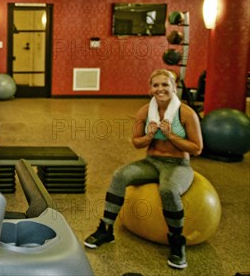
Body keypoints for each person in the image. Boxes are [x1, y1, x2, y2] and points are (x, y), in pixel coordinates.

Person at [84, 69, 203, 269]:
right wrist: (149, 137)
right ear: (150, 89)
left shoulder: (186, 113)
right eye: (156, 85)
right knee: (120, 175)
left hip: (178, 164)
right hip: (151, 162)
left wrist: (171, 135)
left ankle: (176, 241)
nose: (160, 89)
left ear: (174, 87)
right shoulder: (145, 111)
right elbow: (136, 143)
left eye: (165, 84)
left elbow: (197, 148)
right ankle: (106, 229)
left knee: (168, 190)